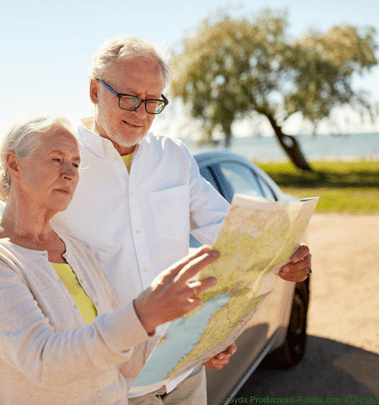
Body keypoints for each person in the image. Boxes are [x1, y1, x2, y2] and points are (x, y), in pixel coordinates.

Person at [51, 35, 312, 405]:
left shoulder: (172, 157)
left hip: (181, 373)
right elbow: (24, 251)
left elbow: (227, 231)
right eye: (128, 97)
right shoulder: (59, 161)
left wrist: (284, 254)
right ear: (95, 90)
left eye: (153, 101)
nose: (141, 113)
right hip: (106, 383)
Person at [0, 113, 224, 405]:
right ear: (14, 164)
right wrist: (142, 315)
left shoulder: (76, 251)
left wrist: (196, 346)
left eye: (76, 163)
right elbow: (44, 361)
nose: (69, 173)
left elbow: (123, 356)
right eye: (56, 159)